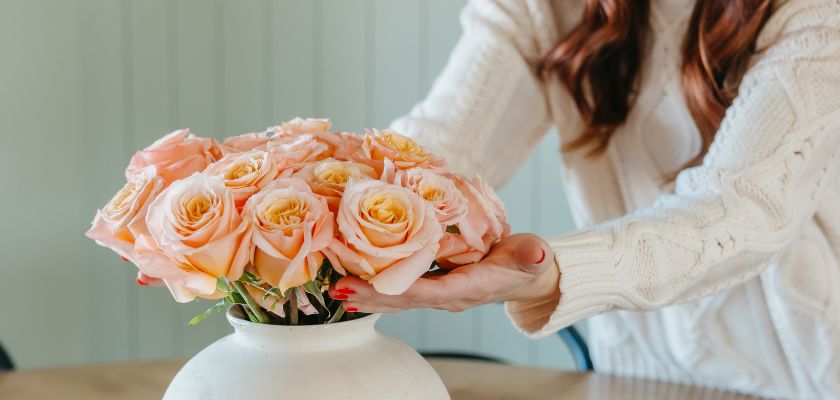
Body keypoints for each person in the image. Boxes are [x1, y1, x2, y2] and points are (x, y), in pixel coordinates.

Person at [328, 0, 840, 398]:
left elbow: (737, 209)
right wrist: (301, 201)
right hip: (630, 382)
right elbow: (437, 150)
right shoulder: (546, 10)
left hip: (802, 383)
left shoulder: (813, 15)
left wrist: (556, 273)